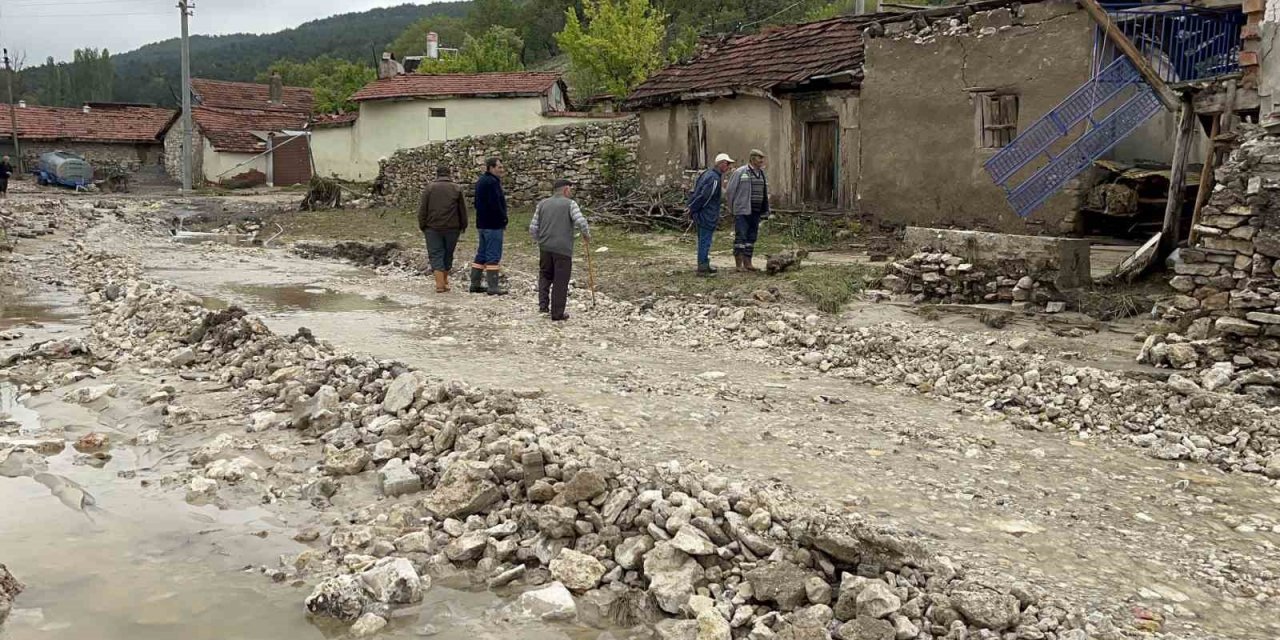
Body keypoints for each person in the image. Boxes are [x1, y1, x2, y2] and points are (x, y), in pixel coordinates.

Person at [529, 179, 590, 322]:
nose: (571, 192)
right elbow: (580, 221)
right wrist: (586, 235)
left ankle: (543, 305)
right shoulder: (570, 204)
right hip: (562, 248)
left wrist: (540, 240)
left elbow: (533, 228)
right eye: (570, 189)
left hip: (545, 247)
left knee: (545, 275)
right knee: (560, 280)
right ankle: (557, 313)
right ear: (565, 190)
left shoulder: (542, 204)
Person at [417, 166, 468, 293]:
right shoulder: (457, 188)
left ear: (437, 174)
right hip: (452, 227)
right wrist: (463, 225)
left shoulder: (429, 188)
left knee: (436, 254)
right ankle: (444, 281)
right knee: (448, 254)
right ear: (449, 174)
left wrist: (422, 225)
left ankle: (440, 284)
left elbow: (423, 209)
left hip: (432, 228)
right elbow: (462, 209)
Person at [688, 153, 733, 276]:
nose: (729, 167)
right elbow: (705, 197)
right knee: (705, 241)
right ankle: (702, 268)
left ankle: (704, 264)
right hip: (706, 214)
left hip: (703, 213)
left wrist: (692, 208)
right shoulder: (714, 178)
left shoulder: (707, 174)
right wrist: (693, 209)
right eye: (728, 164)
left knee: (703, 240)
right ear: (722, 163)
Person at [726, 149, 770, 272]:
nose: (761, 160)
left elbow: (764, 192)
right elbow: (730, 191)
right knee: (741, 237)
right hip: (742, 210)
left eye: (762, 158)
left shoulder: (761, 173)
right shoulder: (741, 172)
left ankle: (748, 263)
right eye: (759, 158)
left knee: (751, 237)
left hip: (756, 211)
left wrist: (765, 209)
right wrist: (732, 208)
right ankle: (738, 265)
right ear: (752, 158)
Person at [470, 157, 509, 295]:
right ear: (491, 168)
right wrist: (503, 219)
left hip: (482, 223)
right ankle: (493, 287)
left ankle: (474, 284)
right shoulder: (492, 182)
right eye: (499, 167)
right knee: (493, 254)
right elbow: (496, 203)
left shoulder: (481, 181)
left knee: (482, 253)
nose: (501, 169)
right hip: (493, 224)